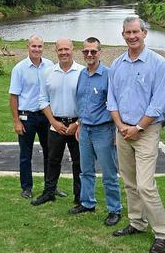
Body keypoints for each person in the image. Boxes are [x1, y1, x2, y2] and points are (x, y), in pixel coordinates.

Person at [107, 16, 165, 253]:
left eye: (136, 32)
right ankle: (136, 222)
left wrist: (138, 128)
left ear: (145, 33)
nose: (132, 36)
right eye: (128, 32)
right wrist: (121, 125)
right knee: (129, 181)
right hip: (122, 130)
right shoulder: (117, 64)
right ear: (122, 35)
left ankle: (162, 233)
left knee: (145, 185)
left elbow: (158, 104)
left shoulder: (158, 63)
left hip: (146, 131)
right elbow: (111, 99)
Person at [70, 37, 124, 225]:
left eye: (93, 51)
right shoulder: (82, 75)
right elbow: (81, 102)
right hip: (85, 130)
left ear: (100, 52)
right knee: (86, 171)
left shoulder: (108, 75)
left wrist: (117, 131)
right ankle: (87, 203)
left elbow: (115, 104)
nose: (90, 55)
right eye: (86, 51)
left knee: (109, 173)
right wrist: (79, 124)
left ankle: (115, 209)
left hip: (104, 130)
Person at [31, 38, 84, 206]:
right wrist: (53, 122)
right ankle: (49, 192)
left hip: (77, 125)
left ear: (73, 49)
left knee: (79, 162)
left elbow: (87, 102)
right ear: (55, 51)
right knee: (52, 160)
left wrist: (77, 124)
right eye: (60, 49)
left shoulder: (82, 72)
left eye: (66, 49)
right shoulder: (48, 72)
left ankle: (79, 195)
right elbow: (42, 100)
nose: (64, 52)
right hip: (56, 124)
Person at [9, 35, 54, 199]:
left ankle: (51, 187)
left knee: (50, 152)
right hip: (27, 117)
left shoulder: (49, 65)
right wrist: (16, 121)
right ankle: (27, 187)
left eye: (39, 46)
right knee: (25, 154)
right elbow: (13, 97)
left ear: (43, 48)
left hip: (46, 116)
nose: (36, 49)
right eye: (33, 46)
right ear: (28, 47)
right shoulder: (19, 69)